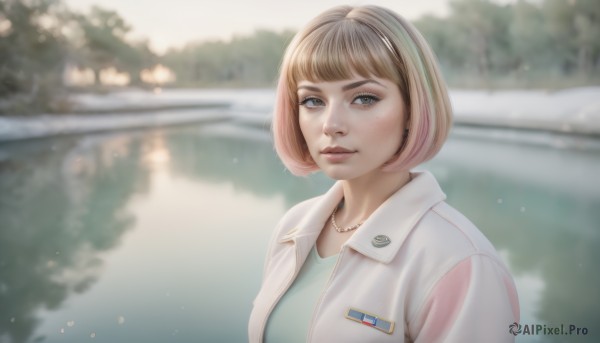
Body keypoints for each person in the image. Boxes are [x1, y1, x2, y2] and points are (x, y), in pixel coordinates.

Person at [248, 5, 519, 343]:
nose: (331, 125)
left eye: (363, 98)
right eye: (312, 101)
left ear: (412, 107)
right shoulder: (293, 228)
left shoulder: (459, 260)